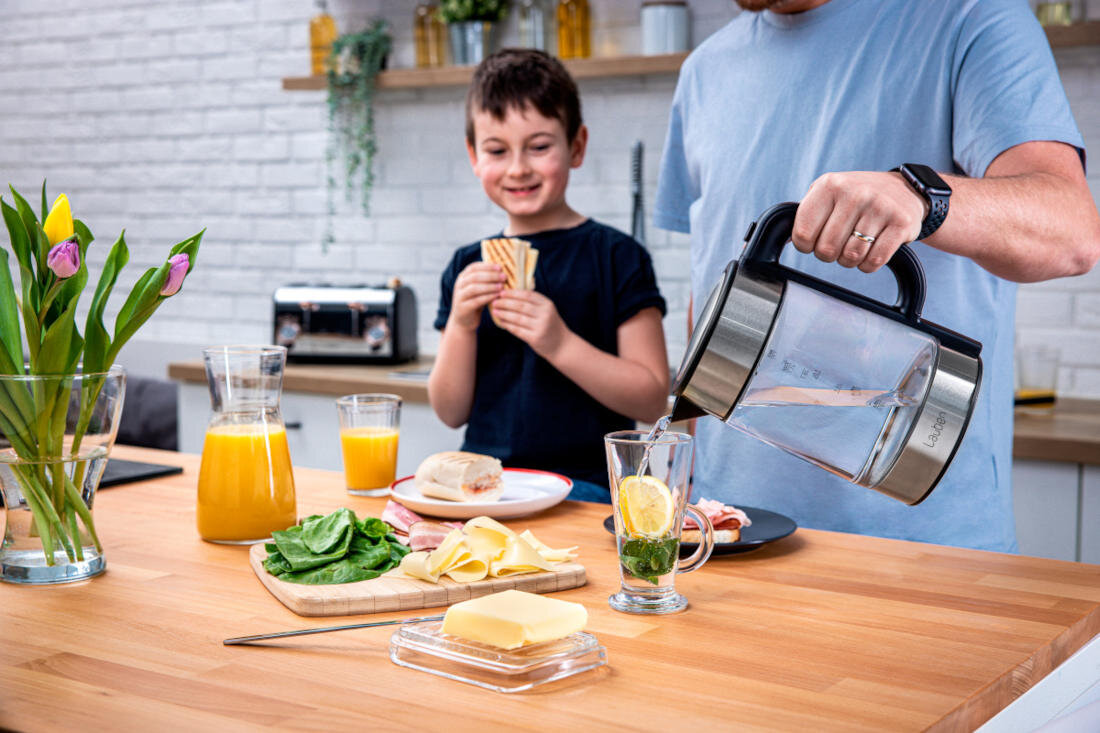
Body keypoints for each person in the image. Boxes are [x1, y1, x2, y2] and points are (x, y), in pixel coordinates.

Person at [655, 0, 1100, 551]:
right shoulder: (704, 69)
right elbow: (713, 282)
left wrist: (922, 196)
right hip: (730, 527)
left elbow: (1072, 233)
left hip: (921, 542)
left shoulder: (972, 17)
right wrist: (679, 472)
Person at [429, 49, 670, 499]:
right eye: (497, 150)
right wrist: (462, 324)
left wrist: (559, 343)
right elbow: (449, 410)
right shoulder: (467, 266)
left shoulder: (618, 256)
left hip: (590, 487)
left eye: (539, 147)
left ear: (576, 146)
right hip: (485, 490)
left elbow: (653, 399)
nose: (518, 167)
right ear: (473, 156)